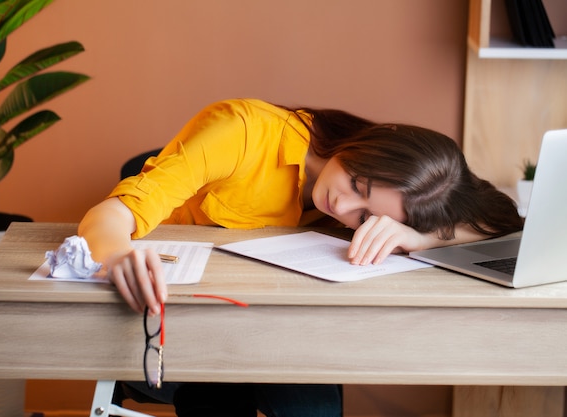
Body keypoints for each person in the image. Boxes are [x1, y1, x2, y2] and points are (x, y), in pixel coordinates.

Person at [78, 98, 523, 417]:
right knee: (226, 397)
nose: (342, 208)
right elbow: (110, 215)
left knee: (313, 404)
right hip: (182, 317)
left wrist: (420, 237)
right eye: (359, 186)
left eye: (365, 215)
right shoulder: (241, 129)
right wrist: (117, 255)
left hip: (274, 323)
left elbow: (499, 222)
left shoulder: (389, 204)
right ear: (367, 147)